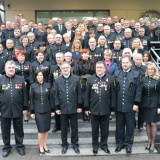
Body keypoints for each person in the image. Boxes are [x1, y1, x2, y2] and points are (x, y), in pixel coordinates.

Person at [84, 61, 116, 155]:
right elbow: (87, 95)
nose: (99, 69)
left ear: (104, 69)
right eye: (97, 67)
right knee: (94, 129)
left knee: (105, 129)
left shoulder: (110, 79)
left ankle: (104, 145)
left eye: (101, 67)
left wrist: (113, 109)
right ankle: (95, 146)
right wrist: (86, 108)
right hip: (94, 109)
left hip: (105, 109)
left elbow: (113, 95)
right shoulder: (90, 79)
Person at [0, 60, 28, 157]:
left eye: (13, 68)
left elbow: (25, 95)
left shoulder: (20, 79)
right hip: (4, 109)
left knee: (19, 129)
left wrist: (25, 108)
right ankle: (6, 147)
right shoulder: (1, 79)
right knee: (5, 130)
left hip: (18, 109)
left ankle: (19, 146)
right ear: (5, 69)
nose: (11, 69)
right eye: (9, 68)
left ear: (15, 69)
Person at [114, 56, 142, 154]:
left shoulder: (136, 74)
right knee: (119, 126)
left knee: (130, 126)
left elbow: (139, 89)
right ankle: (120, 144)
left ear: (130, 63)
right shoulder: (117, 73)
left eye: (126, 62)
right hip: (119, 105)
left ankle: (129, 144)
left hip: (130, 105)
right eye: (123, 62)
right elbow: (114, 90)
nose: (124, 64)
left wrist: (136, 103)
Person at [55, 62, 82, 154]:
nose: (65, 69)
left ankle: (75, 144)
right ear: (61, 70)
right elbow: (56, 95)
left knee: (74, 128)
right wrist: (57, 108)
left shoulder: (76, 78)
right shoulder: (57, 80)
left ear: (70, 68)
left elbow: (79, 93)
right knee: (63, 128)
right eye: (63, 68)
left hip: (74, 107)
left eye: (67, 68)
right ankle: (64, 145)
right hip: (62, 108)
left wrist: (79, 106)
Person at [30, 69, 55, 156]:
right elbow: (32, 100)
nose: (39, 77)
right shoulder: (33, 86)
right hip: (38, 111)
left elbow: (51, 98)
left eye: (41, 75)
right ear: (35, 77)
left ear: (44, 76)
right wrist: (32, 111)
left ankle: (45, 145)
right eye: (38, 75)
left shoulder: (48, 85)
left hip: (47, 110)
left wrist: (52, 110)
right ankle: (40, 146)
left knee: (46, 129)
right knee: (41, 130)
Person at [141, 62, 160, 153]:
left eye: (152, 69)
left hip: (154, 104)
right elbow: (140, 91)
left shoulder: (158, 80)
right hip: (145, 104)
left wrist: (159, 106)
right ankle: (148, 141)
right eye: (149, 69)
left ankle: (153, 143)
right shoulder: (143, 79)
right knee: (147, 122)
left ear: (154, 70)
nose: (150, 71)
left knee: (153, 123)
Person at [73, 49, 95, 121]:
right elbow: (76, 72)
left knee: (90, 96)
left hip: (90, 81)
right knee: (83, 97)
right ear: (82, 54)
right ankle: (84, 114)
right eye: (84, 54)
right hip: (81, 81)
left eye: (87, 54)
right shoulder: (78, 62)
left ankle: (89, 113)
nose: (86, 55)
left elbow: (94, 72)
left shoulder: (91, 62)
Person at [48, 52, 64, 132]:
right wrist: (51, 90)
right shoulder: (53, 67)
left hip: (65, 91)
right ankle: (57, 125)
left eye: (59, 57)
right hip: (55, 91)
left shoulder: (66, 67)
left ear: (63, 58)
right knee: (56, 108)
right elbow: (50, 80)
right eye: (57, 57)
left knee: (64, 110)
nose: (58, 59)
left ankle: (66, 126)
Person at [15, 50, 31, 122]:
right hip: (16, 84)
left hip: (26, 85)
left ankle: (25, 116)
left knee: (26, 99)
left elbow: (31, 74)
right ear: (17, 57)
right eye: (20, 56)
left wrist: (26, 81)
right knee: (18, 99)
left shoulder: (29, 64)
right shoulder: (14, 64)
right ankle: (18, 114)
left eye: (22, 56)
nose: (21, 57)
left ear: (25, 57)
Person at [131, 54, 146, 130]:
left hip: (143, 91)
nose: (138, 61)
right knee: (133, 109)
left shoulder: (145, 68)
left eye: (140, 59)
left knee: (142, 110)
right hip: (134, 90)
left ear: (142, 60)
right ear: (134, 60)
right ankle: (133, 124)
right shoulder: (131, 68)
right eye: (137, 59)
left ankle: (140, 124)